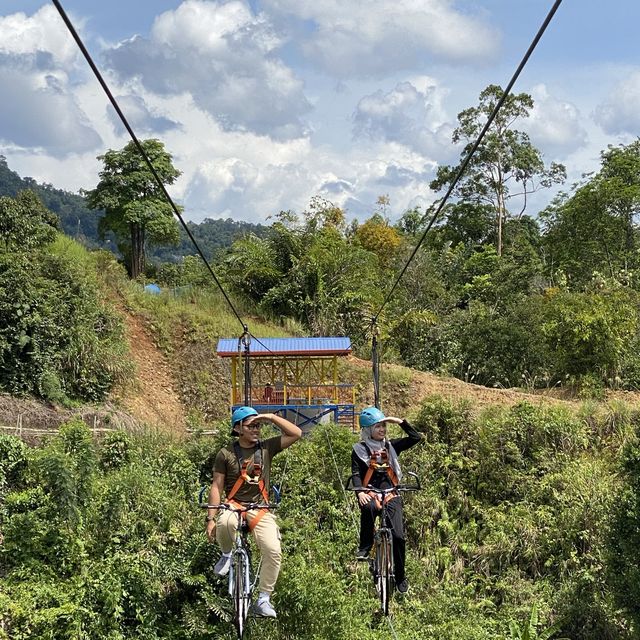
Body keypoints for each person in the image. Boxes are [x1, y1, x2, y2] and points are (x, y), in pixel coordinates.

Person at [206, 406, 302, 618]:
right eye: (252, 425)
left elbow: (296, 433)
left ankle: (264, 598)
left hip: (260, 508)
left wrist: (270, 417)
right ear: (238, 428)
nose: (257, 429)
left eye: (259, 425)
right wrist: (210, 519)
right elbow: (216, 486)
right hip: (234, 504)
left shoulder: (267, 448)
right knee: (226, 523)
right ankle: (226, 555)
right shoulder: (226, 454)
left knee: (273, 549)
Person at [351, 406, 422, 594]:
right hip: (371, 492)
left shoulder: (391, 446)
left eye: (383, 426)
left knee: (398, 536)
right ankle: (365, 546)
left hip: (391, 493)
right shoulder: (359, 450)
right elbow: (356, 473)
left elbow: (416, 437)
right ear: (367, 430)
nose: (382, 430)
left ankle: (400, 577)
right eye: (377, 427)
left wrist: (398, 421)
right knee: (368, 507)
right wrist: (360, 492)